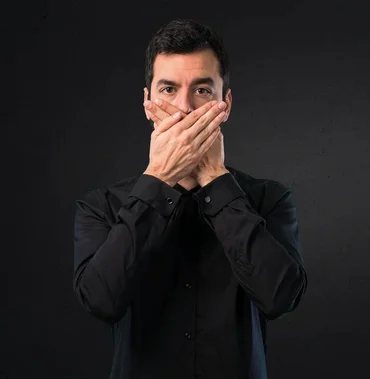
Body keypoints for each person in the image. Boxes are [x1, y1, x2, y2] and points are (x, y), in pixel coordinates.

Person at [72, 18, 307, 379]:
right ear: (147, 102)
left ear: (224, 104)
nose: (184, 109)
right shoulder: (102, 205)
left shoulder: (270, 199)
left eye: (202, 90)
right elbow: (101, 301)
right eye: (168, 89)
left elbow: (280, 298)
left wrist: (215, 179)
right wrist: (160, 179)